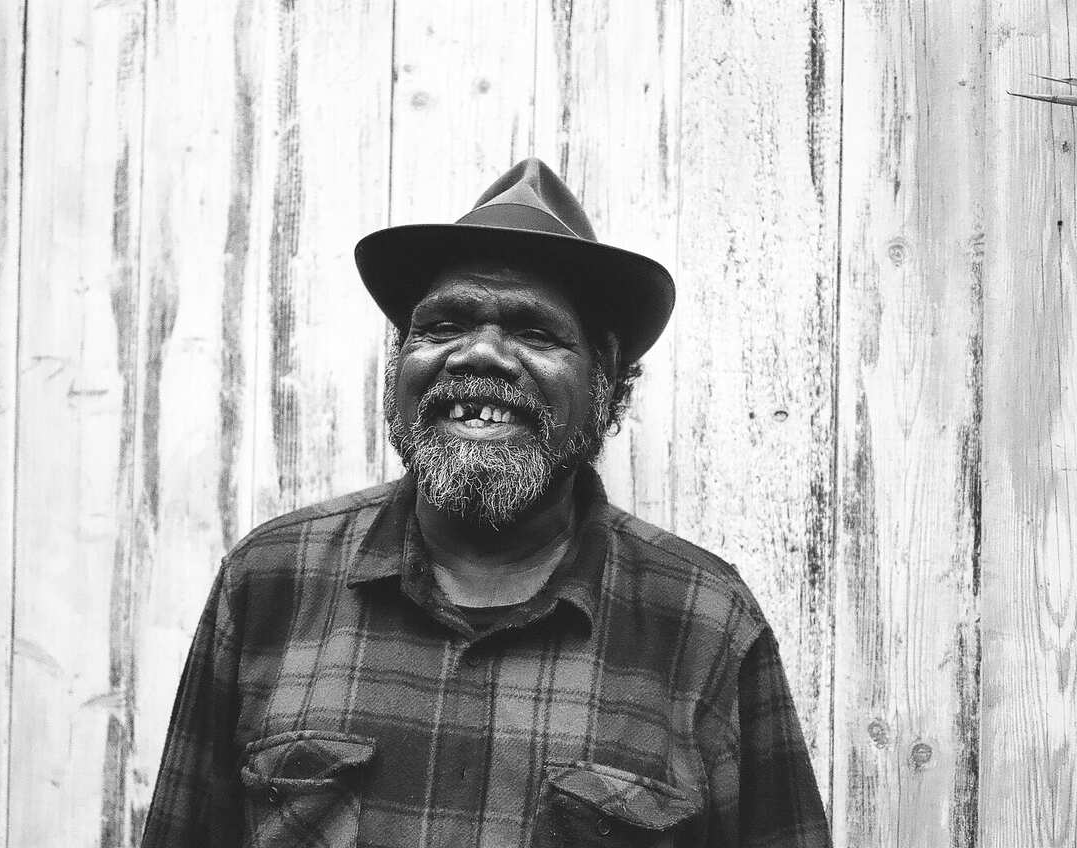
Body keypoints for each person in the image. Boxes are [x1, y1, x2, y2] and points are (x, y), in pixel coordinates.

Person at [140, 159, 830, 847]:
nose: (481, 355)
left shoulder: (704, 619)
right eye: (443, 324)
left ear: (607, 380)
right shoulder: (270, 579)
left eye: (534, 332)